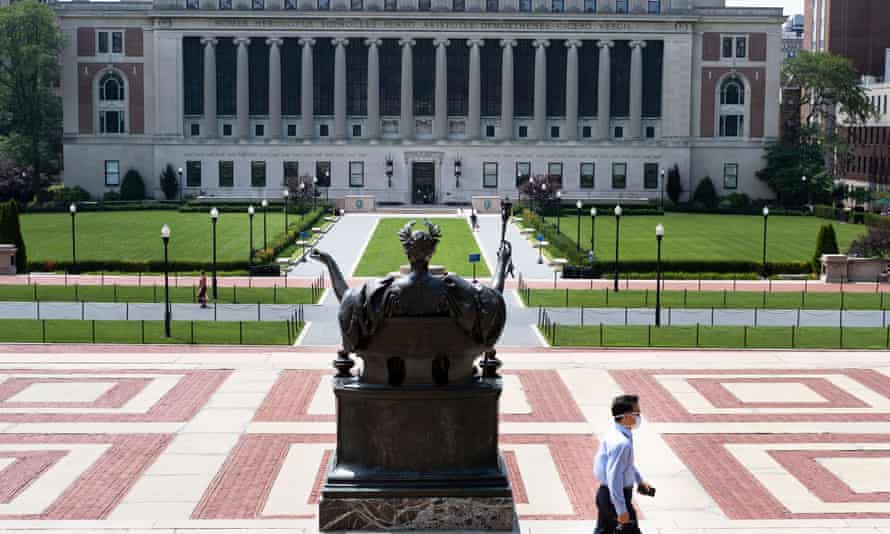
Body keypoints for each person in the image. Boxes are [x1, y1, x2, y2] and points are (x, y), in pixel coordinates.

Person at [593, 394, 654, 534]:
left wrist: (639, 481)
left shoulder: (619, 433)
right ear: (626, 416)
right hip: (615, 498)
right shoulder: (621, 443)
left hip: (607, 496)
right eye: (637, 413)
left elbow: (627, 465)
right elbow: (614, 477)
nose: (639, 417)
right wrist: (621, 510)